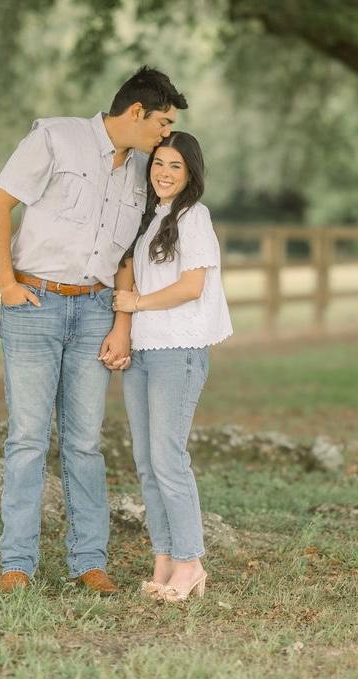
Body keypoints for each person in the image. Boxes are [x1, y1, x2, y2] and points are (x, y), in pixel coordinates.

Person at [0, 67, 188, 595]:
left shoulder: (141, 170)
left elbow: (128, 256)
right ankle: (17, 564)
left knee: (84, 443)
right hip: (35, 304)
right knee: (27, 439)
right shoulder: (55, 137)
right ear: (137, 112)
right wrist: (6, 285)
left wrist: (122, 324)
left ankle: (89, 561)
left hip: (96, 309)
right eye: (163, 122)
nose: (167, 134)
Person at [112, 132, 232, 602]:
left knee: (168, 458)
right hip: (144, 351)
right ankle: (163, 557)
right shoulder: (151, 218)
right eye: (158, 163)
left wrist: (136, 303)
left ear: (190, 173)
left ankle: (189, 563)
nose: (163, 172)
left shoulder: (193, 217)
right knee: (146, 462)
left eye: (175, 166)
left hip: (177, 351)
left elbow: (191, 287)